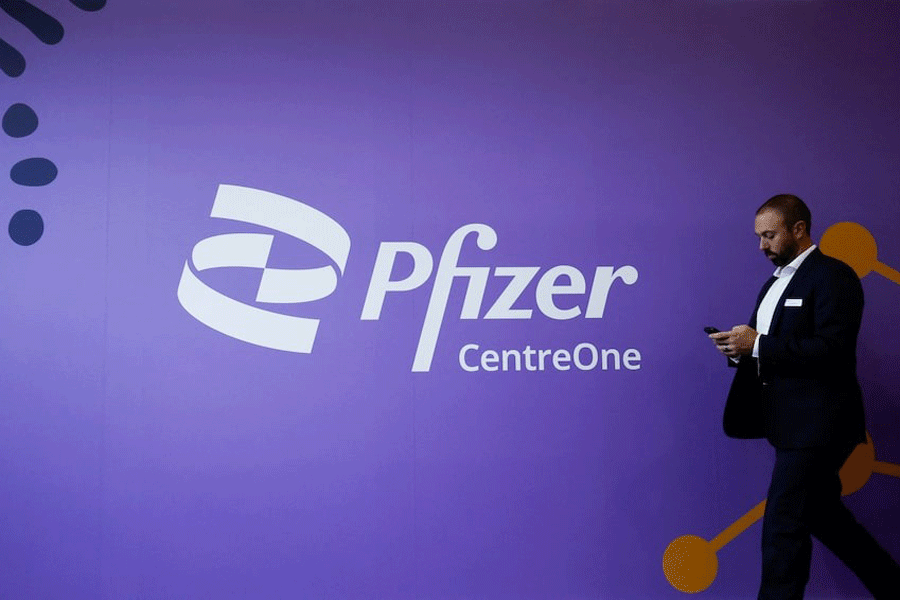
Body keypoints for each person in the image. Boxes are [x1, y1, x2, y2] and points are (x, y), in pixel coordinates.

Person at [709, 194, 900, 599]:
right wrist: (739, 350)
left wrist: (758, 343)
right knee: (824, 518)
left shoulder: (834, 277)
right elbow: (769, 350)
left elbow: (832, 350)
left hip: (822, 425)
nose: (762, 245)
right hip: (788, 428)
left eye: (770, 235)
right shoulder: (773, 284)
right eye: (759, 237)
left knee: (783, 526)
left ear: (799, 229)